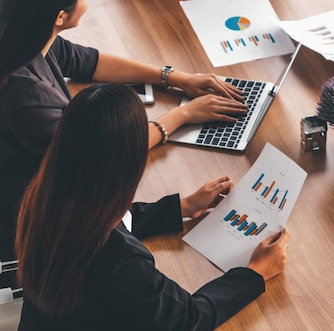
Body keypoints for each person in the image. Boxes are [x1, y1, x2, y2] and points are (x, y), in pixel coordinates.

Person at [0, 0, 247, 261]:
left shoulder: (24, 35)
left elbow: (90, 62)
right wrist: (182, 114)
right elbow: (108, 151)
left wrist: (176, 77)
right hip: (32, 228)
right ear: (61, 16)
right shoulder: (27, 96)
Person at [15, 83, 290, 329]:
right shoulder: (121, 258)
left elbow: (110, 218)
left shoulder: (43, 199)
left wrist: (181, 207)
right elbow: (188, 319)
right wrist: (255, 273)